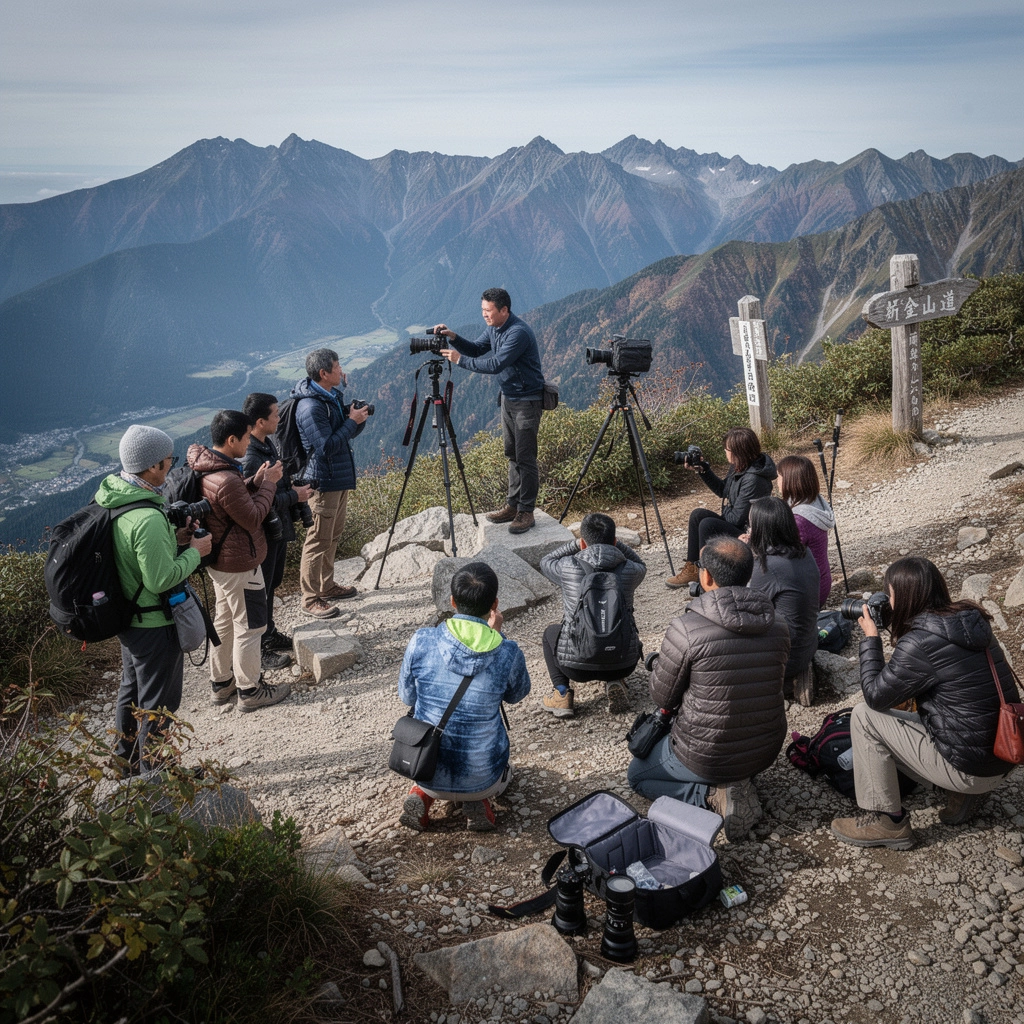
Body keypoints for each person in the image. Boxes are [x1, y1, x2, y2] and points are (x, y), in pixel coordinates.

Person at [831, 557, 1020, 850]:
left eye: (890, 595)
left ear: (905, 597)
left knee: (864, 717)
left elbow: (875, 696)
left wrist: (871, 638)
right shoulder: (971, 621)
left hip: (971, 770)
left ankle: (888, 822)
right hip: (1003, 755)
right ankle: (964, 794)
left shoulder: (921, 642)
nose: (889, 602)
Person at [628, 536, 790, 841]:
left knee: (637, 776)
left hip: (707, 755)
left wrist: (662, 666)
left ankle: (710, 796)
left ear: (706, 577)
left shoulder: (687, 628)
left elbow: (662, 697)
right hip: (765, 748)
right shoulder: (778, 624)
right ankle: (739, 782)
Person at [96, 425, 212, 771]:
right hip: (154, 623)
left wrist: (174, 541)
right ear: (152, 466)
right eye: (168, 460)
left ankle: (127, 763)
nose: (170, 465)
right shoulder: (147, 517)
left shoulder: (117, 499)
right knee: (159, 704)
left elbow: (134, 557)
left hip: (129, 620)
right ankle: (158, 777)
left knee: (131, 692)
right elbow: (160, 580)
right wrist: (194, 552)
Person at [398, 561, 531, 833]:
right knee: (503, 772)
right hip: (483, 777)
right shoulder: (507, 652)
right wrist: (497, 635)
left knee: (432, 766)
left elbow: (407, 696)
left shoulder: (421, 640)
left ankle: (422, 795)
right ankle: (479, 801)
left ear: (452, 601)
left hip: (424, 766)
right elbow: (516, 695)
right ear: (494, 605)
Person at [187, 410, 291, 712]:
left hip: (220, 563)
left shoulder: (209, 468)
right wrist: (269, 484)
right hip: (240, 564)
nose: (249, 442)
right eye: (246, 437)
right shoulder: (226, 478)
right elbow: (253, 517)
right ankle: (250, 689)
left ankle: (221, 683)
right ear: (231, 440)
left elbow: (229, 503)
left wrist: (253, 482)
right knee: (250, 626)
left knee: (224, 621)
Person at [433, 287, 546, 535]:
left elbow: (495, 364)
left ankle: (526, 511)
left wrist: (459, 360)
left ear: (504, 310)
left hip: (527, 401)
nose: (484, 314)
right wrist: (453, 337)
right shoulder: (495, 327)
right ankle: (513, 505)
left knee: (525, 457)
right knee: (512, 453)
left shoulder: (518, 333)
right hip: (508, 398)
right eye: (483, 310)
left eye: (488, 310)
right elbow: (476, 348)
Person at [538, 512, 647, 717]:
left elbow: (546, 561)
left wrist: (575, 544)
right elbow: (642, 564)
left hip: (575, 667)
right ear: (614, 540)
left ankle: (562, 694)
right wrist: (617, 545)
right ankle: (615, 680)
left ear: (582, 543)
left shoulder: (567, 566)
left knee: (549, 632)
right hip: (623, 664)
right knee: (618, 629)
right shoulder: (630, 570)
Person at [291, 348, 370, 618]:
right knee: (318, 540)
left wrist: (354, 418)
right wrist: (351, 421)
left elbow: (341, 434)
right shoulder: (311, 407)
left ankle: (326, 585)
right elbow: (325, 447)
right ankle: (310, 598)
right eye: (337, 367)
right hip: (322, 482)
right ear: (324, 373)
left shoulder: (328, 397)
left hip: (337, 478)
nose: (341, 370)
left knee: (332, 536)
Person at [241, 392, 315, 670]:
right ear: (260, 422)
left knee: (271, 583)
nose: (280, 418)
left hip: (276, 529)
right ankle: (259, 648)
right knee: (259, 589)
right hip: (264, 532)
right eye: (275, 414)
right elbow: (260, 501)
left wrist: (291, 489)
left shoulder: (265, 444)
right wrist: (294, 496)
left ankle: (269, 633)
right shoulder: (252, 457)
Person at [667, 426, 776, 589]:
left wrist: (724, 511)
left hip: (749, 534)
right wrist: (703, 470)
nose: (725, 452)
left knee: (707, 524)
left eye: (727, 449)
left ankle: (708, 577)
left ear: (737, 452)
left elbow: (736, 519)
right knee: (698, 515)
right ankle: (693, 568)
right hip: (738, 523)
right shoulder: (740, 466)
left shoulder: (754, 479)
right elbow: (723, 490)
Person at [746, 497, 821, 704]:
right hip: (808, 643)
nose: (749, 530)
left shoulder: (768, 567)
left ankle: (786, 684)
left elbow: (748, 613)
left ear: (762, 530)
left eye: (751, 526)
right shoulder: (803, 552)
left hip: (786, 658)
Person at [776, 454, 834, 608]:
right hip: (820, 581)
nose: (777, 481)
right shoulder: (815, 502)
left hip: (809, 591)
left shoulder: (799, 520)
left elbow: (784, 556)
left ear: (790, 480)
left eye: (779, 476)